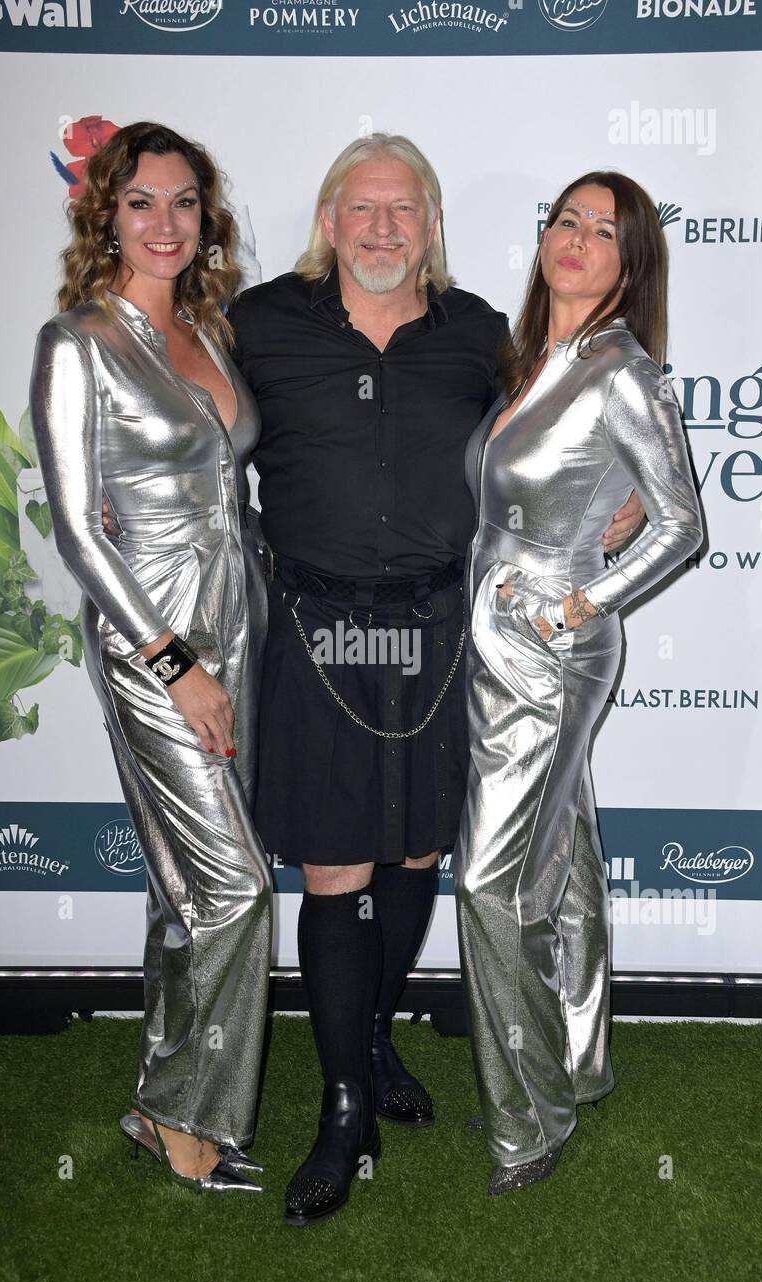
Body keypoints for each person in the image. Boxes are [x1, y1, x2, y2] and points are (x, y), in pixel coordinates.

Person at [227, 135, 646, 1225]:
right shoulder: (260, 324)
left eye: (401, 211)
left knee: (415, 849)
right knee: (333, 867)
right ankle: (344, 1102)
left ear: (431, 225)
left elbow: (553, 435)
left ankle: (371, 1030)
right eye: (359, 209)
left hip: (442, 635)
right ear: (328, 221)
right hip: (315, 634)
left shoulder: (477, 335)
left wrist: (629, 504)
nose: (380, 230)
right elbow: (195, 441)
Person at [29, 122, 273, 1195]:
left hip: (239, 618)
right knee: (237, 890)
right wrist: (175, 660)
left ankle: (155, 1095)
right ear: (106, 215)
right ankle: (188, 1120)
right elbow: (78, 528)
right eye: (142, 202)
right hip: (154, 639)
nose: (165, 222)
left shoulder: (209, 332)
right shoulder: (77, 339)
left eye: (183, 201)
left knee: (186, 889)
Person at [454, 172, 704, 1195]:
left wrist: (578, 606)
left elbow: (684, 520)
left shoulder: (622, 372)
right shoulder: (531, 360)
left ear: (630, 262)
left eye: (605, 231)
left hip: (550, 645)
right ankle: (581, 1055)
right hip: (494, 634)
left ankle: (528, 1118)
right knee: (560, 853)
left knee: (488, 880)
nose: (579, 240)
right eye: (567, 220)